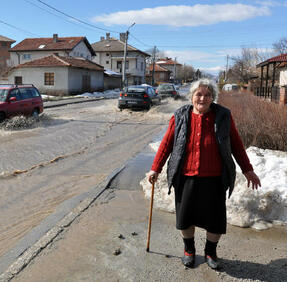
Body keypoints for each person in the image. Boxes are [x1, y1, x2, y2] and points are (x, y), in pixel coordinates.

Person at [147, 78, 261, 270]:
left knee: (215, 221)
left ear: (213, 98)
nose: (203, 98)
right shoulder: (180, 116)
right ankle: (189, 250)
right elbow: (167, 143)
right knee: (185, 219)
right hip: (186, 176)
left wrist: (248, 169)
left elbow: (236, 144)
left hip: (214, 178)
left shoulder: (223, 116)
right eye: (199, 94)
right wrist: (155, 168)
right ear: (192, 96)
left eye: (207, 95)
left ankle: (211, 252)